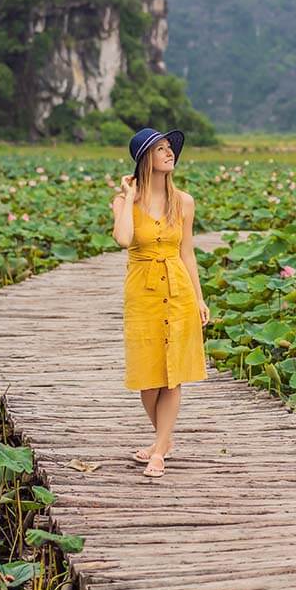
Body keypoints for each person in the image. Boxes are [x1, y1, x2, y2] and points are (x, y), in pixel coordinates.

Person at [111, 127, 211, 478]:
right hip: (142, 293)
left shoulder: (183, 201)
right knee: (147, 378)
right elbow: (124, 239)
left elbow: (187, 252)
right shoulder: (125, 202)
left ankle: (159, 451)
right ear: (144, 160)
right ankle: (162, 441)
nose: (170, 153)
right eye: (161, 149)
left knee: (173, 376)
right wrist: (127, 195)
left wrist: (199, 297)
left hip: (178, 290)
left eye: (171, 148)